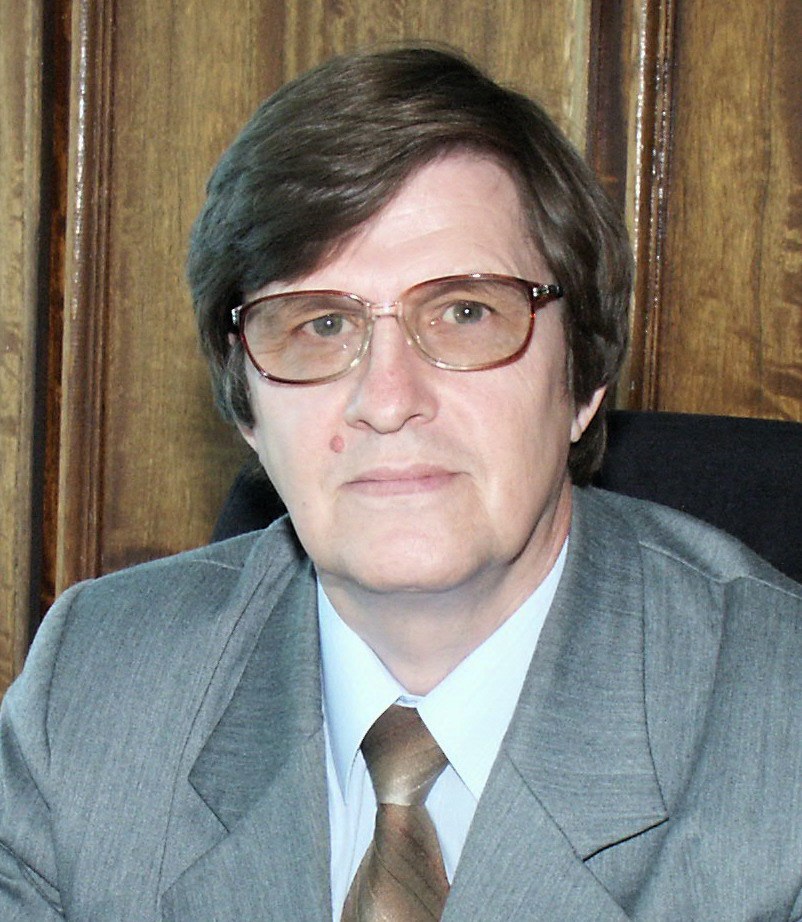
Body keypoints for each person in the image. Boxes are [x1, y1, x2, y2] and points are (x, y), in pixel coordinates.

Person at [1, 45, 801, 922]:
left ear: (584, 378)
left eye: (465, 313)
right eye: (320, 325)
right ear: (247, 405)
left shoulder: (778, 724)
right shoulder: (94, 687)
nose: (387, 401)